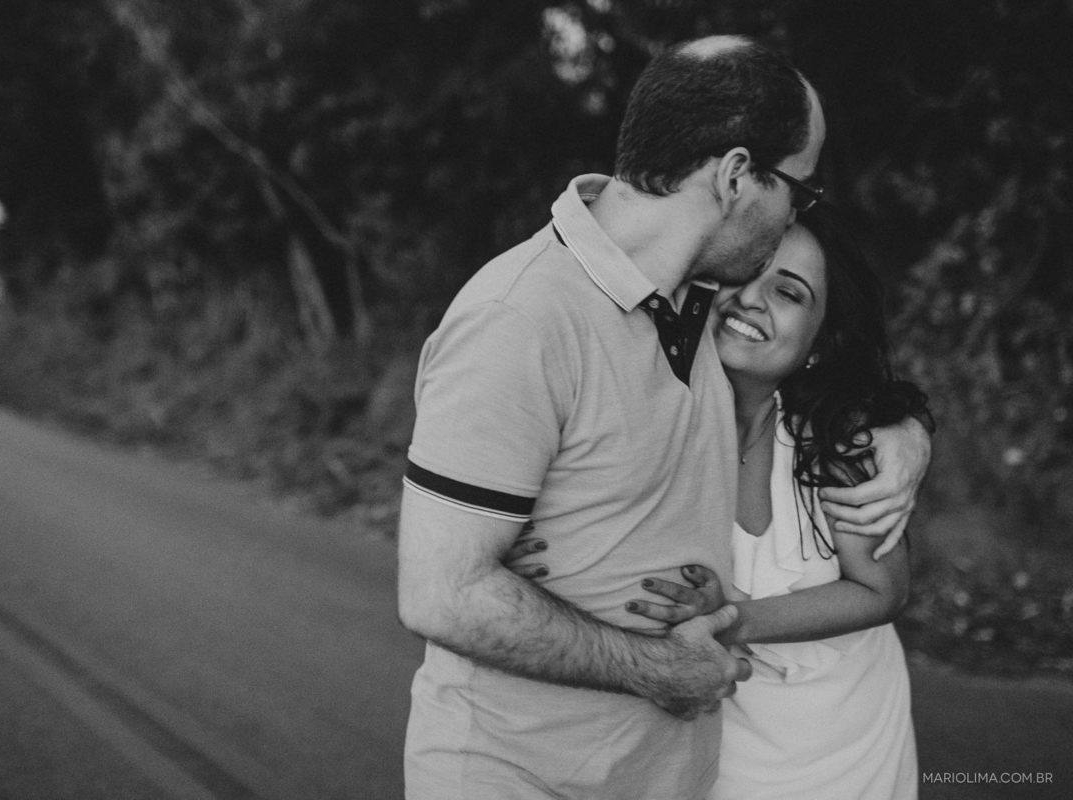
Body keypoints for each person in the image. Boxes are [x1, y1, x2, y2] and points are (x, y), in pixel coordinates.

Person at [397, 35, 931, 799]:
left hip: (670, 776)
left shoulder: (700, 303)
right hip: (521, 777)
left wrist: (908, 434)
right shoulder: (521, 318)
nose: (791, 223)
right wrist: (657, 666)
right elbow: (440, 592)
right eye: (797, 192)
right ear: (738, 175)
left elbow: (836, 374)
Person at [513, 210, 930, 798]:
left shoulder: (837, 436)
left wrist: (729, 617)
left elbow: (883, 589)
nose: (752, 300)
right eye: (750, 273)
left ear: (817, 344)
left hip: (851, 738)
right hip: (723, 741)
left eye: (788, 293)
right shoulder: (636, 421)